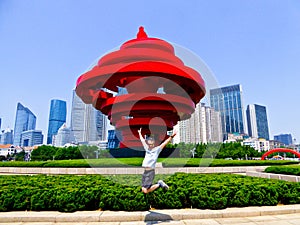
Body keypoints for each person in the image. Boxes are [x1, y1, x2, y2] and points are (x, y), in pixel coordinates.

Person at [138, 127, 177, 194]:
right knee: (143, 189)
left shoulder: (157, 150)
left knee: (145, 191)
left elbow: (164, 143)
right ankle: (158, 184)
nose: (150, 145)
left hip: (150, 173)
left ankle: (159, 184)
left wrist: (171, 136)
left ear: (154, 144)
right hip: (145, 172)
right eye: (149, 144)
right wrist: (139, 133)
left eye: (151, 144)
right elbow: (142, 140)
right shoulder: (147, 149)